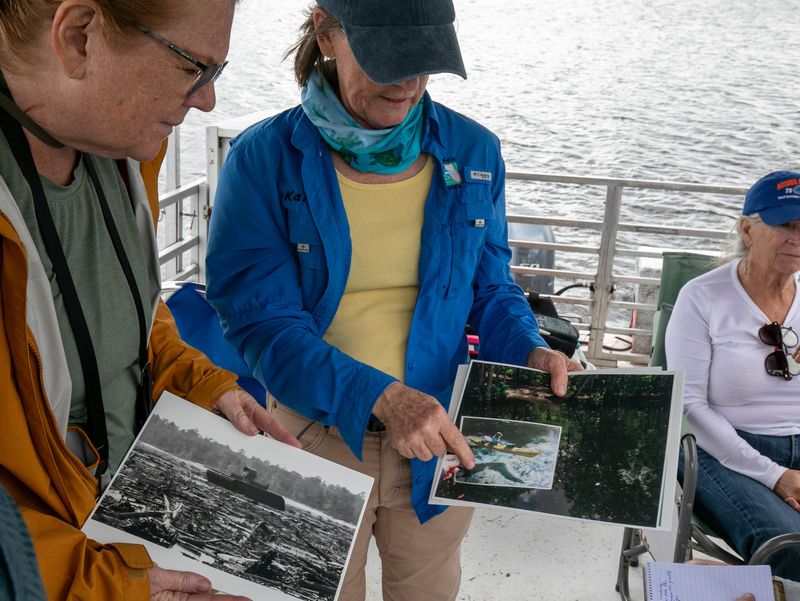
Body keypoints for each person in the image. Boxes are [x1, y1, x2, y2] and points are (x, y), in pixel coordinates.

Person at [205, 1, 581, 598]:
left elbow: (492, 288)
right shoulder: (261, 159)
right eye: (390, 60)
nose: (408, 81)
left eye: (425, 61)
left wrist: (530, 349)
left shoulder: (475, 151)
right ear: (328, 35)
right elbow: (262, 323)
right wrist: (382, 396)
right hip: (314, 435)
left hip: (444, 438)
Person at [0, 1, 300, 599]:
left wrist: (201, 384)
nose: (207, 100)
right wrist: (103, 587)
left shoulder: (122, 149)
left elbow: (131, 318)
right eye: (196, 68)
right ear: (79, 38)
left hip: (131, 530)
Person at [666, 170, 800, 580]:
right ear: (747, 229)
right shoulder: (702, 297)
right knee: (792, 548)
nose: (796, 238)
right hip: (723, 450)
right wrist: (776, 476)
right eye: (784, 225)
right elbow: (689, 405)